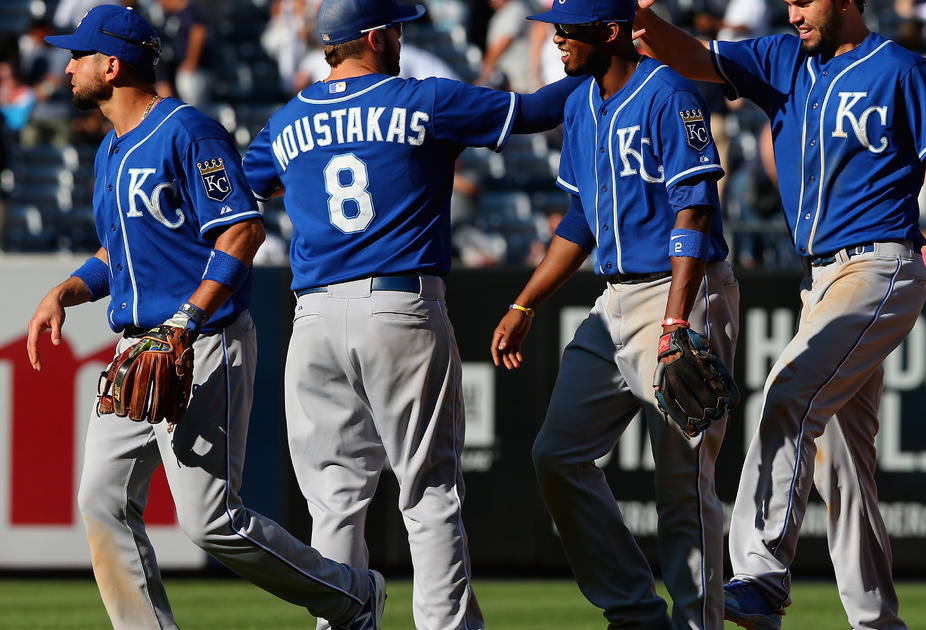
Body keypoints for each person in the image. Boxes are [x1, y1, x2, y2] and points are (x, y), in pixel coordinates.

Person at [634, 0, 926, 628]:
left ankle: (758, 573)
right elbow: (693, 55)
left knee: (788, 393)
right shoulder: (781, 59)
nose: (793, 9)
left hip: (880, 265)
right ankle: (876, 621)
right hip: (821, 280)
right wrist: (641, 20)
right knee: (848, 464)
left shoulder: (904, 70)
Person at [24, 7, 384, 629]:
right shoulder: (111, 149)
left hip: (201, 340)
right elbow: (122, 249)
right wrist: (69, 288)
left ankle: (351, 595)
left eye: (79, 56)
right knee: (102, 501)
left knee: (210, 521)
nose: (69, 66)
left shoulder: (188, 132)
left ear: (111, 66)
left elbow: (242, 231)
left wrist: (187, 321)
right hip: (139, 347)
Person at [239, 1, 583, 628]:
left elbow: (235, 189)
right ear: (373, 36)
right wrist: (605, 60)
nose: (401, 35)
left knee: (335, 503)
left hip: (313, 316)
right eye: (395, 26)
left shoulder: (289, 120)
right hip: (397, 305)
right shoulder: (421, 100)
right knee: (427, 492)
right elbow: (534, 111)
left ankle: (340, 620)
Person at [490, 0, 738, 627]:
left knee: (682, 488)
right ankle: (634, 609)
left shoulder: (669, 92)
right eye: (554, 30)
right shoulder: (579, 103)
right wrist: (525, 301)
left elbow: (696, 208)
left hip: (680, 290)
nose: (557, 42)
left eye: (568, 31)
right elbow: (580, 221)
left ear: (609, 31)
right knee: (557, 455)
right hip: (614, 300)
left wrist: (678, 321)